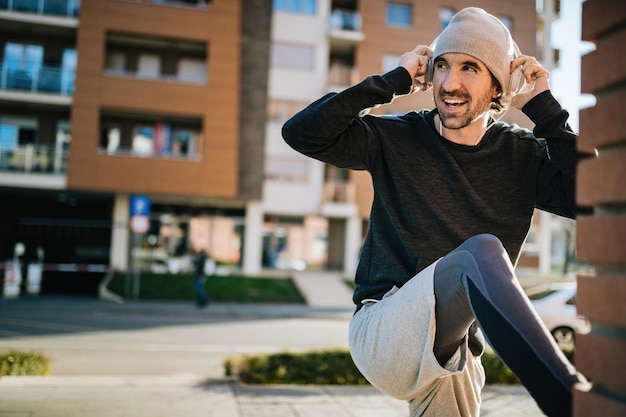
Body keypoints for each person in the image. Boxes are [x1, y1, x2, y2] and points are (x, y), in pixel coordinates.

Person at [282, 7, 593, 417]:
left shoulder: (522, 157)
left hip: (454, 352)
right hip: (385, 330)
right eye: (442, 66)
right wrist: (392, 82)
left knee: (464, 341)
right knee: (479, 254)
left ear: (498, 88)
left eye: (470, 68)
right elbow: (301, 132)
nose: (450, 82)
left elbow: (597, 201)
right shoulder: (395, 138)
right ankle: (569, 401)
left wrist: (546, 112)